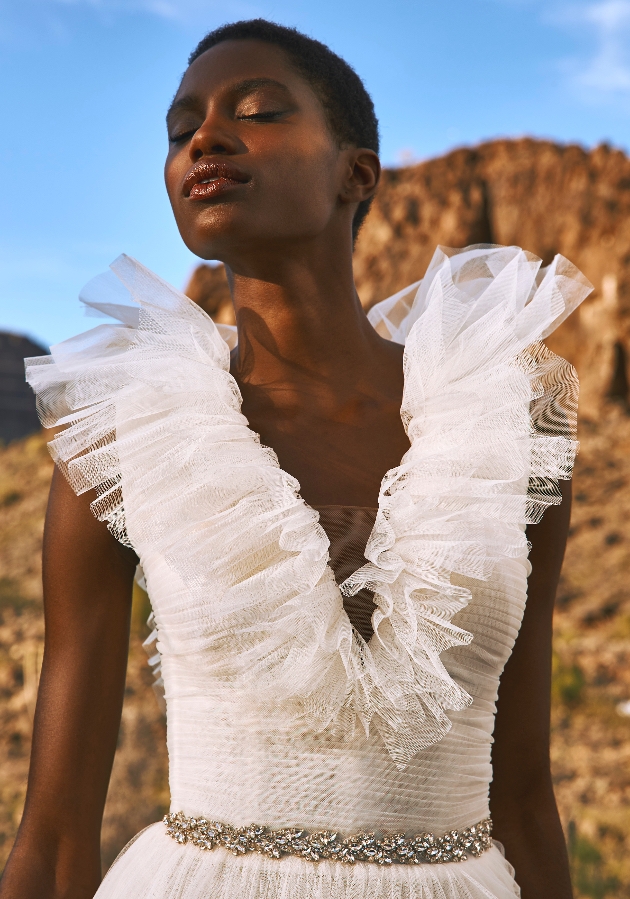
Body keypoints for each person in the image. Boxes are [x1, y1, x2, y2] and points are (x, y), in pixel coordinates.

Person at [1, 19, 592, 899]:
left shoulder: (503, 423)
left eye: (260, 110)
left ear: (358, 172)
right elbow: (52, 837)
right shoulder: (129, 428)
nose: (204, 137)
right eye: (179, 130)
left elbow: (525, 796)